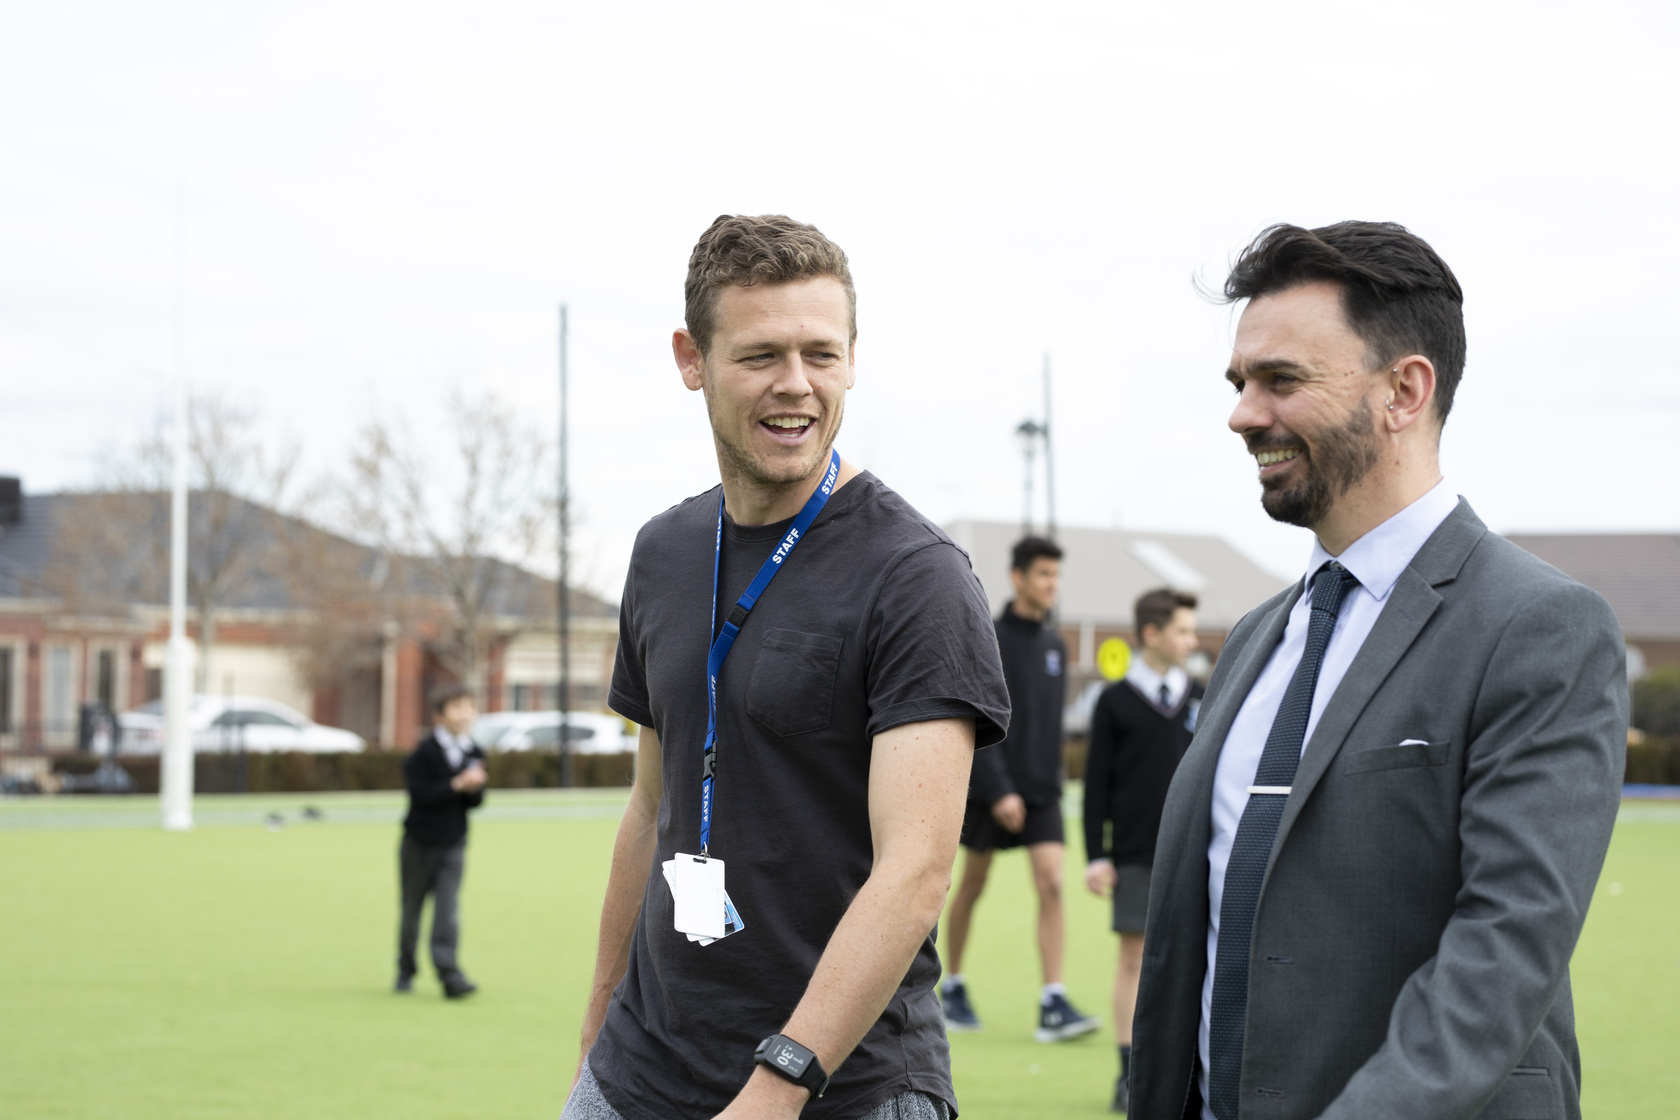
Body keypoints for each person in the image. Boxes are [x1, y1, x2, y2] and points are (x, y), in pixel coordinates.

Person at [1128, 221, 1627, 1120]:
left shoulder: (1540, 627)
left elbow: (1504, 954)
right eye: (1241, 383)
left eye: (1281, 380)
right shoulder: (1253, 640)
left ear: (1405, 390)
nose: (1243, 413)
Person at [563, 214, 1011, 1120]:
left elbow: (917, 869)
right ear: (692, 358)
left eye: (822, 353)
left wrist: (778, 1086)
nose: (797, 386)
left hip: (844, 1090)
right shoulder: (662, 552)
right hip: (641, 1074)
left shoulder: (916, 577)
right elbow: (650, 807)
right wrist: (600, 1022)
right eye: (762, 355)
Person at [940, 536, 1100, 1044]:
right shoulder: (989, 635)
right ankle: (954, 987)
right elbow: (976, 715)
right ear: (1018, 578)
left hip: (1042, 793)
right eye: (1043, 575)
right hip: (991, 788)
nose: (1051, 584)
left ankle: (1053, 1001)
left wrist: (1042, 785)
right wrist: (1000, 788)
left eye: (1056, 575)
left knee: (1053, 884)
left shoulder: (1056, 645)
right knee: (972, 885)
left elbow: (1048, 727)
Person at [1082, 587, 1203, 1112]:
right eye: (1182, 630)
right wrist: (1096, 854)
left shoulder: (1205, 693)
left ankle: (1189, 1070)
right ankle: (1128, 1071)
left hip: (1195, 852)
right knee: (1134, 958)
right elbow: (1095, 787)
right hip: (1133, 851)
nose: (1192, 640)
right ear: (1152, 634)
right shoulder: (1114, 701)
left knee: (1196, 958)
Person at [396, 683, 487, 999]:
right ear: (439, 716)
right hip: (419, 844)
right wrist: (456, 785)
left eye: (469, 707)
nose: (465, 714)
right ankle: (405, 970)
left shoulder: (475, 752)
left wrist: (473, 790)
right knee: (411, 912)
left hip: (454, 844)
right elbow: (420, 796)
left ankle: (449, 975)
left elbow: (474, 804)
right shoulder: (422, 754)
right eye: (457, 707)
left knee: (447, 914)